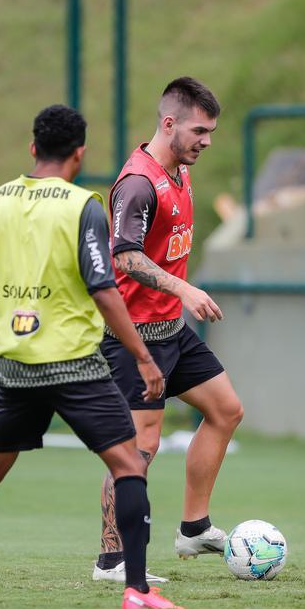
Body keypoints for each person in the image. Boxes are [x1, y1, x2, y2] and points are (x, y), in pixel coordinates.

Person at [0, 104, 183, 609]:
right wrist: (142, 356)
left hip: (14, 366)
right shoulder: (83, 206)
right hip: (73, 363)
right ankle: (137, 590)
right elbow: (104, 290)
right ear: (80, 154)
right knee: (129, 465)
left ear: (33, 148)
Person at [92, 78, 244, 583]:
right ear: (169, 123)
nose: (207, 140)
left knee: (225, 410)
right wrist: (184, 289)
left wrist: (177, 298)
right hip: (135, 337)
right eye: (199, 131)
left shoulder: (180, 170)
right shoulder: (138, 183)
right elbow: (126, 257)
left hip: (172, 329)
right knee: (138, 449)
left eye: (211, 131)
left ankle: (194, 528)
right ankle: (111, 560)